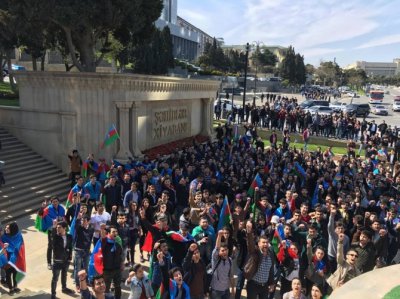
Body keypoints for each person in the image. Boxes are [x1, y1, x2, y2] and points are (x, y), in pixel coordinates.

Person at [244, 221, 275, 299]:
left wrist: (271, 283)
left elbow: (271, 270)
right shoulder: (255, 252)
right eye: (263, 242)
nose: (265, 244)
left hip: (264, 286)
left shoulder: (270, 254)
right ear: (258, 244)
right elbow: (250, 245)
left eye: (266, 243)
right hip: (253, 285)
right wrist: (249, 232)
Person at [37, 196, 66, 270]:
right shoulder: (48, 209)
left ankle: (59, 260)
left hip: (60, 229)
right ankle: (49, 263)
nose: (55, 203)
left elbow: (63, 217)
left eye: (56, 201)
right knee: (50, 246)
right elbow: (40, 215)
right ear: (51, 202)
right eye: (53, 202)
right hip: (52, 230)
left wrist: (62, 220)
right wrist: (42, 207)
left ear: (58, 202)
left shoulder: (62, 208)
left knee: (60, 245)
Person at [51, 221, 74, 299]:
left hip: (66, 261)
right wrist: (54, 228)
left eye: (59, 227)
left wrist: (69, 258)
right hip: (57, 261)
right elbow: (52, 237)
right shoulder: (55, 237)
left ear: (64, 228)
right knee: (55, 278)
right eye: (57, 227)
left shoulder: (69, 237)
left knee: (64, 275)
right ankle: (53, 293)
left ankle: (64, 288)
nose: (58, 229)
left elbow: (70, 247)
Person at [1, 222, 25, 295]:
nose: (6, 229)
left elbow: (20, 247)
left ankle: (15, 287)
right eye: (6, 227)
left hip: (16, 259)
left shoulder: (19, 236)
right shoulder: (3, 237)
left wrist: (11, 249)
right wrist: (5, 248)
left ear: (13, 229)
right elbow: (1, 248)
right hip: (7, 259)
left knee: (15, 274)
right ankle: (11, 289)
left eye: (8, 228)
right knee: (8, 274)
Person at [102, 226, 123, 299]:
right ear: (109, 233)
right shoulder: (105, 243)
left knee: (118, 286)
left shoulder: (117, 243)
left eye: (116, 232)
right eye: (113, 232)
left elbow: (120, 255)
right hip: (107, 270)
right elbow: (103, 238)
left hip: (117, 269)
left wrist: (122, 264)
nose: (115, 233)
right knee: (106, 288)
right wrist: (102, 230)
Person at [210, 230, 232, 299]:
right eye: (222, 250)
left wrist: (233, 289)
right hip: (216, 291)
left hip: (226, 290)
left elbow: (230, 276)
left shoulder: (230, 260)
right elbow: (217, 248)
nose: (225, 252)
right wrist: (219, 236)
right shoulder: (215, 259)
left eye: (226, 250)